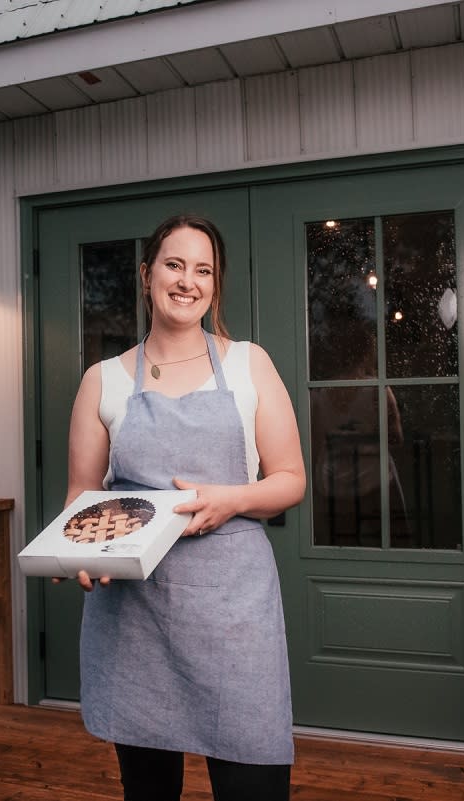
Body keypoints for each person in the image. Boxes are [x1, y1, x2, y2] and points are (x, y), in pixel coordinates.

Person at [61, 213, 306, 801]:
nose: (187, 281)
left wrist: (232, 499)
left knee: (253, 784)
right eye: (174, 265)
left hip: (232, 608)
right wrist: (81, 551)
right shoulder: (103, 380)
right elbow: (81, 496)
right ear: (147, 275)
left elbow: (291, 480)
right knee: (148, 790)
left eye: (204, 270)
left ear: (215, 285)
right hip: (134, 612)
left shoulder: (249, 363)